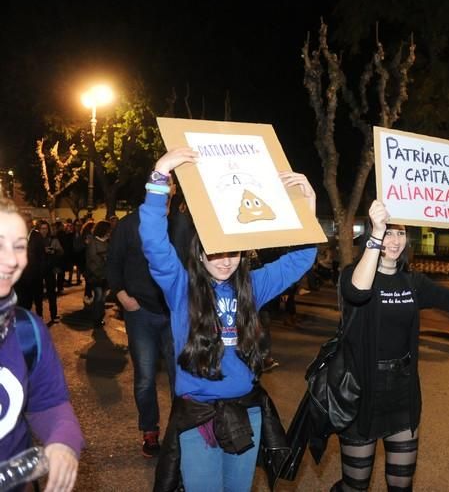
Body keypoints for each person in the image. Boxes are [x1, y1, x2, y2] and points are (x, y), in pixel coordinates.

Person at [139, 147, 317, 492]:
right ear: (199, 252)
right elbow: (154, 243)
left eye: (232, 252)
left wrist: (305, 207)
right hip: (198, 418)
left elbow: (300, 259)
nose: (225, 262)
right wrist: (160, 174)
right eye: (215, 253)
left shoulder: (251, 286)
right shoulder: (181, 288)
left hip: (247, 411)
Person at [331, 200, 449, 492]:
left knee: (401, 484)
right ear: (375, 233)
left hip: (402, 391)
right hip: (361, 391)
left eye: (400, 233)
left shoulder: (412, 281)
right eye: (389, 233)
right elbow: (357, 292)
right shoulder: (352, 274)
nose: (394, 241)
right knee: (355, 486)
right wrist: (376, 234)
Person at [0, 197, 84, 491]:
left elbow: (49, 403)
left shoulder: (27, 329)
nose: (12, 260)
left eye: (19, 245)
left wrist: (62, 442)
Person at [106, 188, 179, 458]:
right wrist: (124, 297)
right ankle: (150, 431)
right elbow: (113, 264)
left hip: (174, 313)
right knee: (146, 378)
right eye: (165, 191)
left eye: (172, 193)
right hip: (140, 314)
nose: (169, 197)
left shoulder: (178, 225)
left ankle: (178, 431)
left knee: (179, 377)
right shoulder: (128, 225)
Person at [14, 213, 45, 317]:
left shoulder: (37, 236)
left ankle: (39, 318)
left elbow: (41, 257)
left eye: (27, 222)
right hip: (21, 278)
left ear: (31, 223)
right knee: (23, 303)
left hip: (34, 276)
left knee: (37, 300)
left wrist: (40, 274)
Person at [85, 220, 111, 327]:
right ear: (103, 230)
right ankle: (96, 318)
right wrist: (99, 273)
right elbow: (91, 261)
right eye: (108, 230)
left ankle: (100, 316)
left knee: (103, 297)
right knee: (99, 296)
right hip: (96, 276)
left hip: (105, 276)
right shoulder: (93, 243)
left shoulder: (107, 242)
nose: (110, 232)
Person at [37, 220, 64, 324]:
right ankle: (39, 316)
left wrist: (54, 251)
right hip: (38, 270)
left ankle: (54, 315)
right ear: (38, 229)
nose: (44, 231)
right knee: (38, 295)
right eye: (42, 228)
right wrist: (42, 250)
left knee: (52, 293)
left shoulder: (53, 239)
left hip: (49, 269)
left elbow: (61, 252)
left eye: (46, 228)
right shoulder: (35, 240)